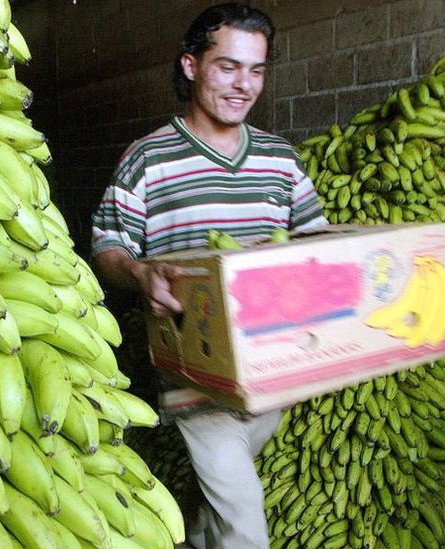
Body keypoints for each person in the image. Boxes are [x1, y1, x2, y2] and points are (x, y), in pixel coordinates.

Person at [90, 3, 328, 548]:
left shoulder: (280, 160)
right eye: (228, 67)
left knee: (218, 497)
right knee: (245, 522)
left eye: (257, 70)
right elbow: (108, 245)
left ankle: (188, 540)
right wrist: (140, 272)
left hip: (274, 368)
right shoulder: (148, 159)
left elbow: (317, 242)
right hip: (194, 371)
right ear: (192, 66)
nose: (244, 85)